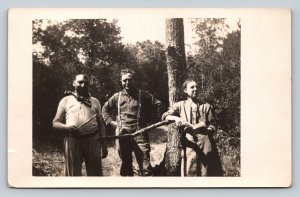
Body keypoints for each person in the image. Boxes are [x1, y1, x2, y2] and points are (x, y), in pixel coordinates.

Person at [102, 68, 161, 176]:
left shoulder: (142, 94)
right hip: (122, 134)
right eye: (124, 80)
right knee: (126, 167)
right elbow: (105, 109)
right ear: (121, 81)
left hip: (140, 133)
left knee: (145, 167)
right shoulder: (117, 97)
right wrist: (110, 122)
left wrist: (150, 120)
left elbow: (157, 104)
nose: (127, 83)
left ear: (134, 80)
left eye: (130, 79)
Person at [162, 79, 222, 176]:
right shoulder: (180, 105)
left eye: (197, 87)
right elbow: (165, 116)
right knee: (189, 169)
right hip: (189, 142)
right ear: (185, 90)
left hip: (205, 143)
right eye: (192, 87)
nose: (195, 89)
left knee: (205, 171)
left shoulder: (206, 106)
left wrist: (207, 129)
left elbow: (213, 125)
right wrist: (176, 119)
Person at [52, 74, 108, 176]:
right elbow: (55, 123)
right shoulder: (65, 100)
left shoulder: (95, 101)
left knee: (95, 176)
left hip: (93, 141)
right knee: (73, 176)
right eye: (80, 82)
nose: (83, 85)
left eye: (86, 83)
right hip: (72, 141)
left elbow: (101, 124)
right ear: (74, 83)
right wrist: (66, 127)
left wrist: (104, 145)